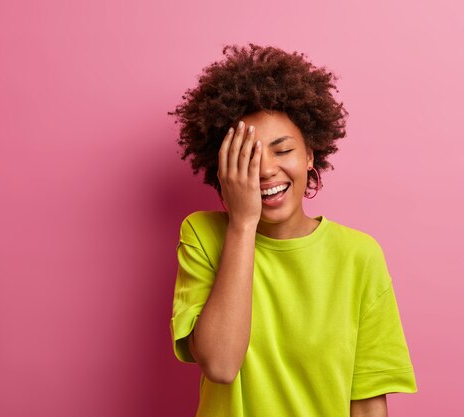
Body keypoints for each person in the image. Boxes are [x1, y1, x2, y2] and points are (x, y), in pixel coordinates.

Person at [168, 43, 418, 417]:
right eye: (249, 157)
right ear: (223, 167)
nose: (267, 170)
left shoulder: (358, 256)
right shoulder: (203, 235)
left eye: (283, 150)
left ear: (310, 156)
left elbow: (367, 402)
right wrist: (242, 224)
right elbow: (220, 365)